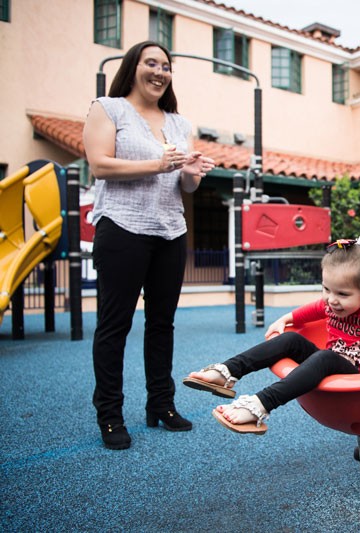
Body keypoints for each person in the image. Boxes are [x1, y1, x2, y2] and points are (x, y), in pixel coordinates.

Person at [83, 41, 216, 450]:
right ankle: (110, 416)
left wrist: (192, 173)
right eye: (151, 63)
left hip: (170, 231)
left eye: (166, 66)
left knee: (162, 324)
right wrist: (158, 163)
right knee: (114, 325)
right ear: (134, 67)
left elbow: (183, 184)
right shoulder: (108, 108)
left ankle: (161, 404)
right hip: (122, 228)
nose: (159, 72)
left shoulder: (179, 123)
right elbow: (99, 165)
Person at [183, 234, 360, 434]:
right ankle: (228, 372)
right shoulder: (330, 302)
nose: (331, 300)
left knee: (326, 357)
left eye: (343, 294)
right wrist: (287, 318)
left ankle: (261, 405)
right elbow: (312, 310)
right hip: (332, 364)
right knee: (291, 340)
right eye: (326, 289)